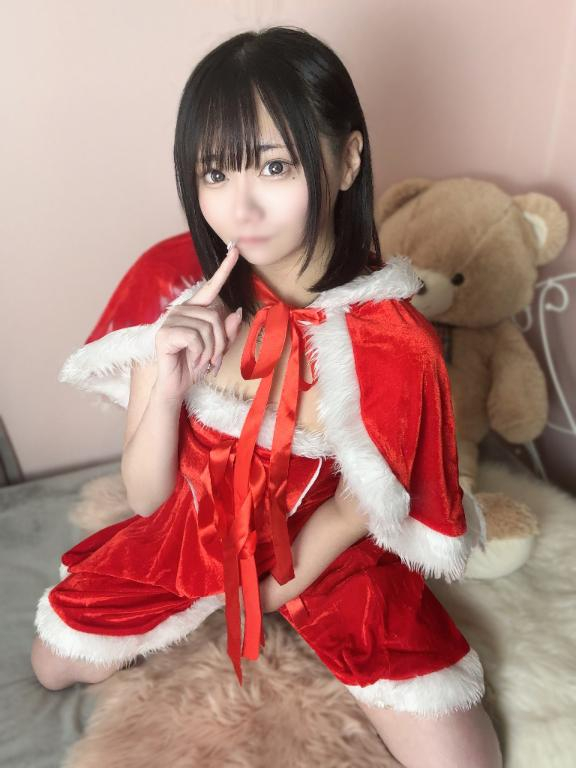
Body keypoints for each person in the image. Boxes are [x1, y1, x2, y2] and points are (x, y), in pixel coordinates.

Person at [31, 26, 502, 767]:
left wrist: (265, 594)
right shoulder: (178, 291)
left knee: (464, 759)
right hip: (189, 525)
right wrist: (166, 381)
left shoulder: (390, 341)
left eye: (275, 166)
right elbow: (148, 497)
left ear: (347, 159)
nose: (239, 209)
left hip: (326, 551)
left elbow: (354, 509)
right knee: (55, 665)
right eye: (215, 173)